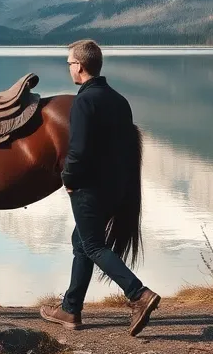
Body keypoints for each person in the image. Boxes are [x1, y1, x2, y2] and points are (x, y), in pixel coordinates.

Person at [40, 39, 160, 335]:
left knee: (92, 245)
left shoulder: (84, 101)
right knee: (81, 241)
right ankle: (70, 309)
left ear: (79, 66)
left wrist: (69, 179)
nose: (69, 67)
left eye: (69, 63)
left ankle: (138, 294)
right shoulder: (119, 100)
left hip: (90, 188)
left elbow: (78, 150)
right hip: (117, 187)